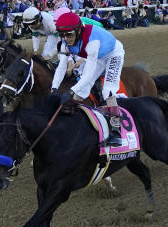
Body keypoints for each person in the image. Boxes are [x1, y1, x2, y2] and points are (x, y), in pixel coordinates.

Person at [51, 11, 126, 148]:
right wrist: (54, 88)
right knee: (81, 91)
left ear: (79, 30)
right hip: (98, 57)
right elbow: (61, 67)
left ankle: (116, 132)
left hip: (113, 54)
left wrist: (70, 91)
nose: (66, 38)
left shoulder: (92, 42)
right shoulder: (64, 44)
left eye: (69, 34)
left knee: (107, 91)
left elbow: (88, 75)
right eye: (62, 35)